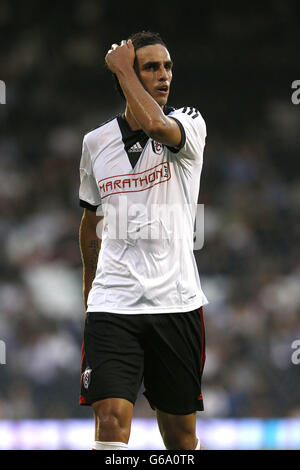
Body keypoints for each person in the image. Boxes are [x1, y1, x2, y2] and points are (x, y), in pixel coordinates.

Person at [78, 31, 208, 451]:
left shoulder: (188, 122)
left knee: (179, 438)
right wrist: (90, 287)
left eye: (167, 66)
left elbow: (153, 123)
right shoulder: (95, 143)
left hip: (176, 301)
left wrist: (120, 65)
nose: (164, 75)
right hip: (113, 303)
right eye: (151, 67)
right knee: (111, 423)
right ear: (129, 78)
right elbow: (89, 220)